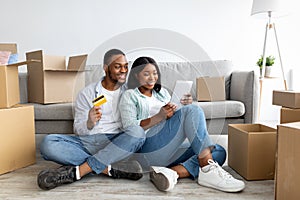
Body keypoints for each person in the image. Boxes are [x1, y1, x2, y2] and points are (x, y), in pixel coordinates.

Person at [119, 56, 245, 192]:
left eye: (155, 73)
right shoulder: (130, 95)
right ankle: (207, 169)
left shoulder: (161, 93)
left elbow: (178, 120)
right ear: (136, 75)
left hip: (168, 149)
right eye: (146, 73)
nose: (152, 77)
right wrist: (159, 116)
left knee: (218, 150)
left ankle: (171, 173)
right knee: (193, 112)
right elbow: (129, 128)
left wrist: (183, 106)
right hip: (148, 150)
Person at [37, 49, 146, 190]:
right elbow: (77, 129)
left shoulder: (132, 93)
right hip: (89, 142)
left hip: (117, 142)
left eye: (125, 66)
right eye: (118, 66)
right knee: (48, 143)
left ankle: (79, 171)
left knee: (138, 133)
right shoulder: (87, 93)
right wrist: (89, 122)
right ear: (106, 68)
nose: (123, 70)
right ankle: (109, 168)